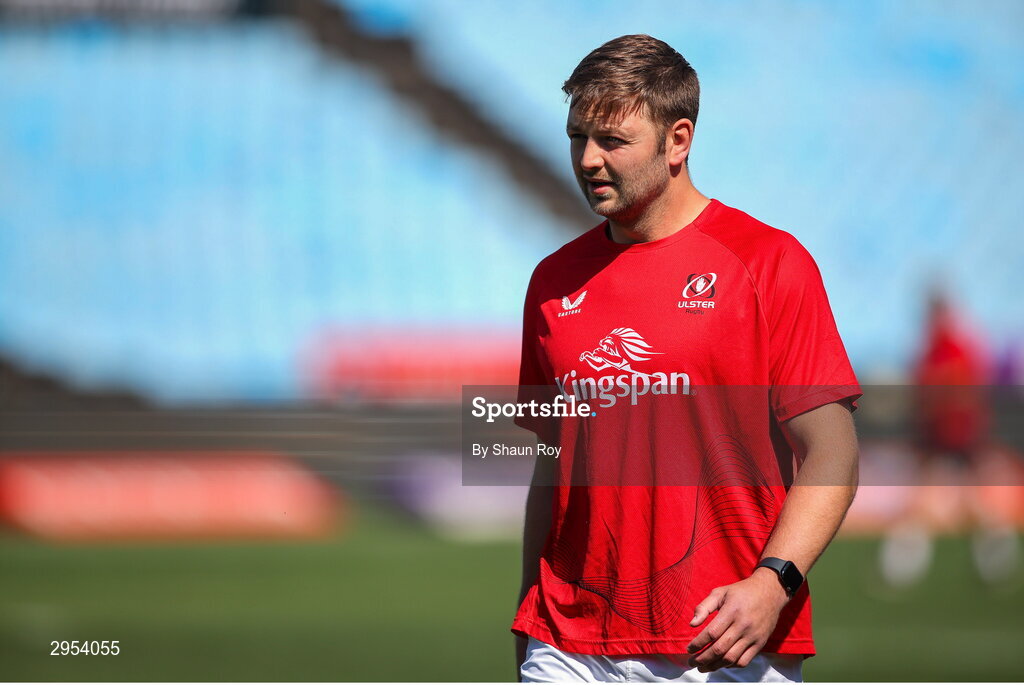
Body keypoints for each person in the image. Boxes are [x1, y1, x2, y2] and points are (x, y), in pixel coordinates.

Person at [512, 35, 861, 682]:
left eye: (612, 141)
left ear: (678, 140)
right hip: (568, 643)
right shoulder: (552, 280)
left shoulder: (768, 264)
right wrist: (527, 614)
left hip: (720, 640)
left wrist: (773, 581)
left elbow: (833, 450)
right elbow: (550, 464)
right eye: (576, 136)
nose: (587, 159)